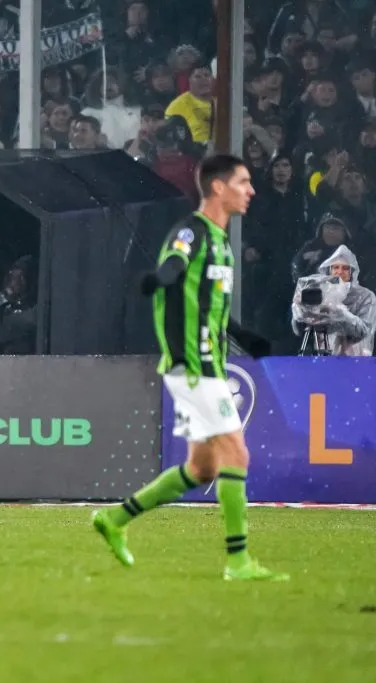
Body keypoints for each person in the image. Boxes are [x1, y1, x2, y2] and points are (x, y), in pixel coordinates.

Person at [92, 154, 289, 582]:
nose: (251, 190)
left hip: (210, 363)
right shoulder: (192, 231)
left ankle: (114, 519)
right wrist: (160, 278)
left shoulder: (220, 242)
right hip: (192, 366)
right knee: (237, 453)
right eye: (243, 181)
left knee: (203, 469)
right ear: (218, 187)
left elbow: (203, 303)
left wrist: (243, 334)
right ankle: (238, 561)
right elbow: (175, 267)